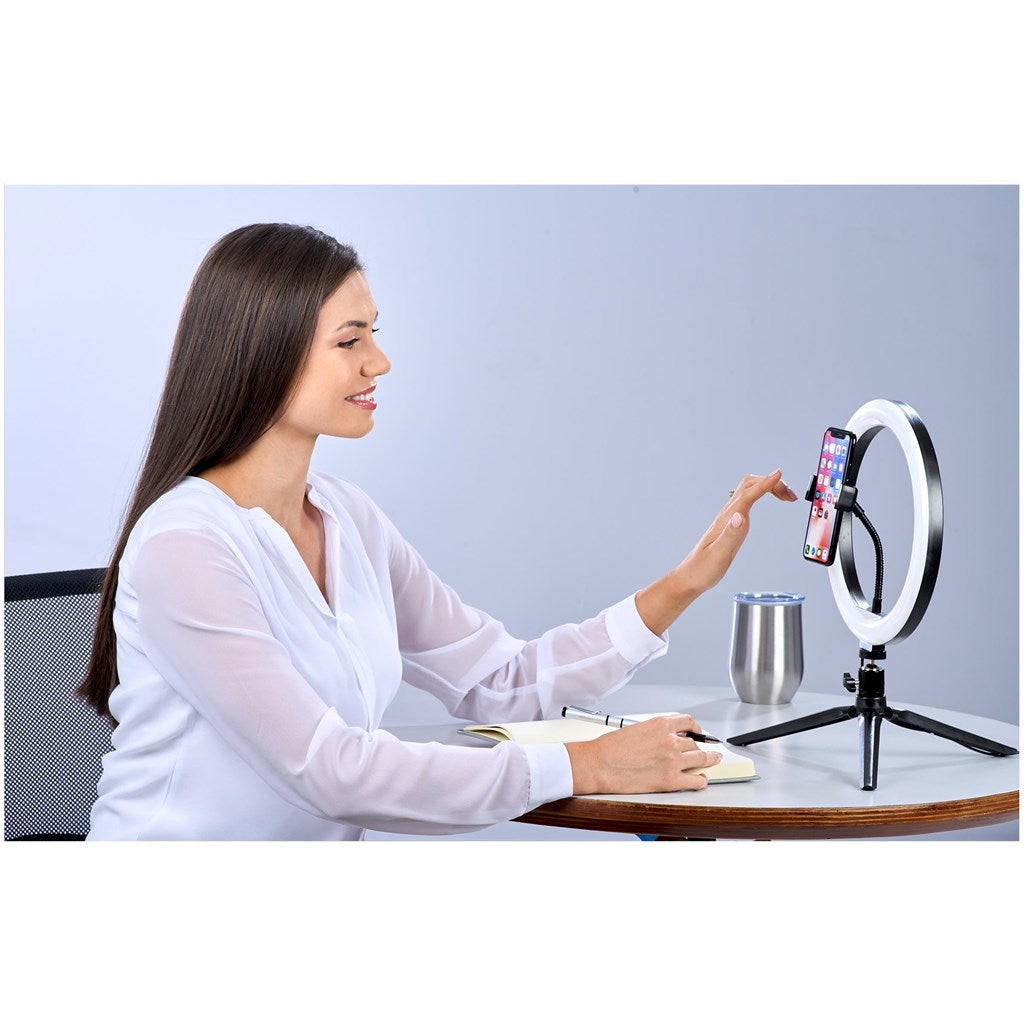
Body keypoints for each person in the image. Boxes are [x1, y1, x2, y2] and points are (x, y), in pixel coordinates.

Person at [81, 222, 797, 840]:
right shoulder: (187, 546)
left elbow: (499, 682)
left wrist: (683, 584)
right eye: (350, 339)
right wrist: (587, 765)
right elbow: (328, 771)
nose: (379, 361)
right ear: (266, 351)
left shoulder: (347, 518)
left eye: (375, 333)